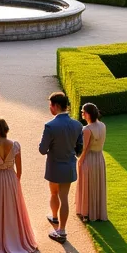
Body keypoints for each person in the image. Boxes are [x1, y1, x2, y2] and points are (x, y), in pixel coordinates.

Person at [0, 117, 38, 253]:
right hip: (10, 178)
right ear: (7, 129)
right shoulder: (15, 145)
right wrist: (15, 182)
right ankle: (14, 238)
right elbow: (19, 170)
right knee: (13, 209)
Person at [39, 92, 83, 244]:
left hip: (54, 165)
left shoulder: (50, 126)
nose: (50, 108)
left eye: (50, 105)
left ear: (56, 106)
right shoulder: (77, 125)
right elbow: (79, 148)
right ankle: (61, 229)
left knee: (54, 193)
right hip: (68, 165)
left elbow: (42, 150)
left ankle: (55, 218)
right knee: (64, 198)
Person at [76, 103, 108, 223]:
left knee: (86, 185)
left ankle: (86, 213)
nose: (82, 114)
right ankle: (98, 212)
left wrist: (80, 160)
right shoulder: (103, 125)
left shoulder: (87, 129)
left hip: (89, 159)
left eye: (83, 112)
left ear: (88, 114)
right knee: (97, 185)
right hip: (99, 158)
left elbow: (86, 148)